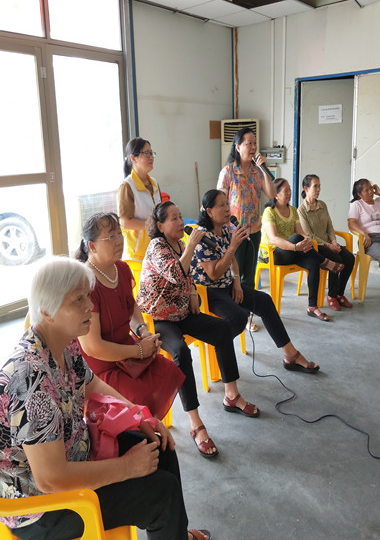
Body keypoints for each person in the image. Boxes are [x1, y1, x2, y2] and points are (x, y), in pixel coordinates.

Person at [0, 256, 210, 540]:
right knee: (162, 494)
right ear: (47, 312)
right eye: (78, 299)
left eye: (87, 296)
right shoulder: (29, 379)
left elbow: (91, 383)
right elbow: (51, 479)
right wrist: (126, 468)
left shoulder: (63, 341)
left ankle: (175, 534)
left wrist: (139, 415)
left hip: (76, 454)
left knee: (160, 445)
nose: (90, 305)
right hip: (41, 507)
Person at [136, 202, 260, 459]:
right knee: (181, 352)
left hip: (182, 312)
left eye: (180, 216)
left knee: (222, 329)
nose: (180, 222)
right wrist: (192, 244)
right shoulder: (157, 246)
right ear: (160, 226)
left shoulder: (180, 244)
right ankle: (195, 423)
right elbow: (176, 272)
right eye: (173, 218)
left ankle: (231, 395)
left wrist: (192, 294)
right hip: (159, 318)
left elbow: (189, 276)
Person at [191, 189, 319, 374]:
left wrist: (237, 282)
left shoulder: (225, 229)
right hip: (209, 292)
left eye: (227, 204)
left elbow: (232, 261)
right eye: (222, 205)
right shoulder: (202, 236)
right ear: (209, 211)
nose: (227, 209)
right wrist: (233, 246)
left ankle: (291, 355)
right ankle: (217, 345)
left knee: (264, 301)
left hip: (228, 284)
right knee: (238, 317)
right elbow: (213, 274)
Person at [76, 212, 184, 421]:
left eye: (120, 234)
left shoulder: (122, 268)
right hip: (101, 366)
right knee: (140, 397)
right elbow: (93, 348)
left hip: (126, 351)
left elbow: (130, 306)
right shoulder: (85, 283)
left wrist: (142, 331)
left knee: (168, 370)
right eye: (111, 237)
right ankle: (142, 431)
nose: (119, 241)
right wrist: (138, 350)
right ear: (92, 246)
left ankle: (150, 429)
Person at [260, 178, 344, 322]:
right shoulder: (270, 212)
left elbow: (302, 233)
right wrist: (295, 246)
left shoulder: (293, 210)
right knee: (297, 238)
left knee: (313, 263)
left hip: (293, 251)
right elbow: (274, 239)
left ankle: (312, 306)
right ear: (276, 194)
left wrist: (307, 240)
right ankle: (325, 261)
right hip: (274, 253)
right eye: (286, 191)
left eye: (290, 190)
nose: (289, 193)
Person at [217, 128, 276, 331]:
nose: (253, 147)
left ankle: (247, 314)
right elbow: (220, 203)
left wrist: (264, 170)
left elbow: (271, 194)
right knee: (234, 275)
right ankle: (236, 314)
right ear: (238, 146)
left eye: (254, 143)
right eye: (248, 143)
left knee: (249, 276)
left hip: (254, 231)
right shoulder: (228, 172)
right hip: (234, 232)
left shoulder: (257, 172)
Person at [298, 174, 355, 311]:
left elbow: (330, 227)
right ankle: (331, 296)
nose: (318, 189)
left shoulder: (322, 205)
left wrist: (334, 241)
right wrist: (328, 245)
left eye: (319, 186)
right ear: (306, 188)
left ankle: (339, 293)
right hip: (317, 246)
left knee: (350, 258)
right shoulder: (301, 210)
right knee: (336, 259)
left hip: (329, 243)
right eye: (315, 186)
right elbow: (309, 235)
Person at [347, 178, 380, 309]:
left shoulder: (379, 202)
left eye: (371, 188)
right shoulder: (357, 205)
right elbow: (351, 223)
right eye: (366, 190)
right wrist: (364, 233)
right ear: (359, 194)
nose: (370, 192)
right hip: (371, 240)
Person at [118, 137, 161, 263]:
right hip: (136, 255)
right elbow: (124, 222)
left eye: (151, 153)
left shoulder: (154, 183)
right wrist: (153, 225)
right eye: (146, 153)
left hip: (155, 249)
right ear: (133, 158)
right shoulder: (127, 186)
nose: (151, 157)